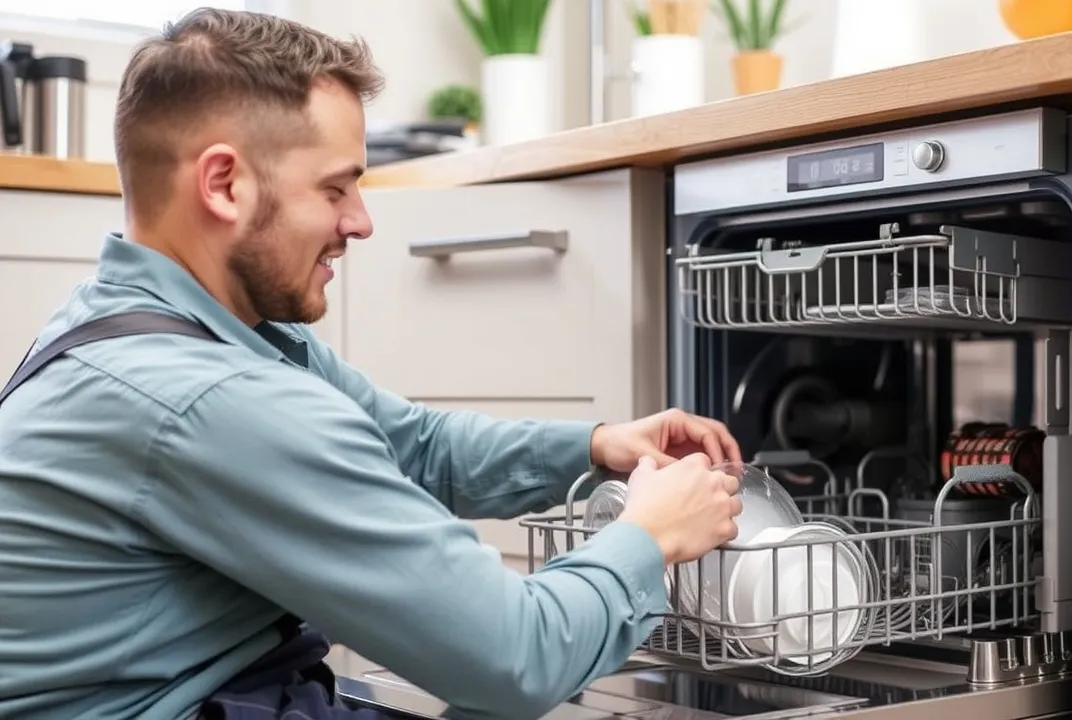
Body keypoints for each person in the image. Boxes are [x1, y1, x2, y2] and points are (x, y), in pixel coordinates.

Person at [0, 8, 746, 720]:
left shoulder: (157, 324)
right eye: (335, 187)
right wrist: (648, 537)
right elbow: (516, 659)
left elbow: (413, 444)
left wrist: (595, 447)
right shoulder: (210, 400)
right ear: (224, 184)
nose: (361, 220)